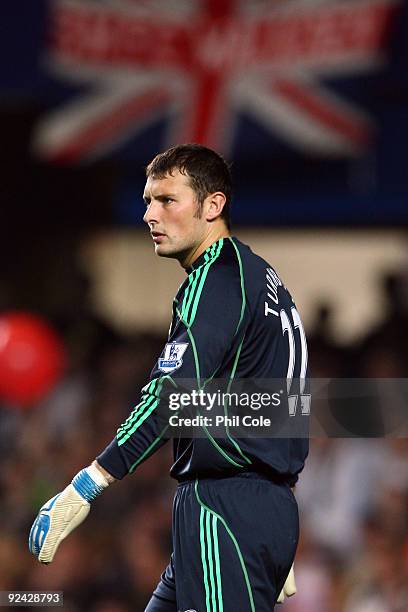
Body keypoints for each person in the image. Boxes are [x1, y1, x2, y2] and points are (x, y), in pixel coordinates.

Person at [29, 144, 309, 611]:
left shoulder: (214, 279)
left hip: (223, 509)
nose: (149, 215)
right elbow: (287, 400)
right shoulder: (262, 279)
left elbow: (171, 398)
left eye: (167, 200)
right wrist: (271, 503)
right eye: (146, 200)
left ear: (212, 205)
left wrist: (89, 482)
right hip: (250, 509)